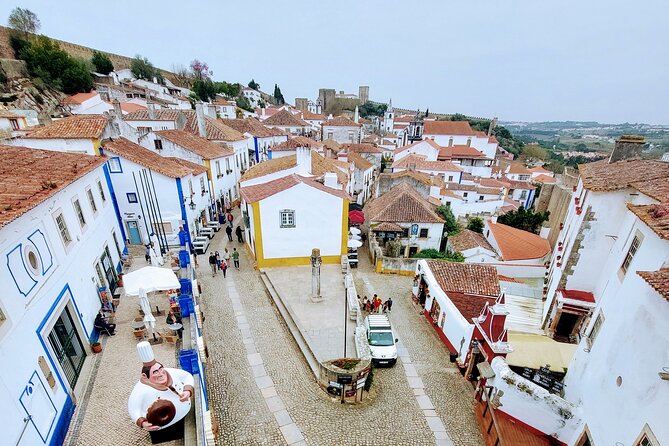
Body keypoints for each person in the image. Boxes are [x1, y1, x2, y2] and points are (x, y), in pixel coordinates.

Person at [128, 342, 195, 432]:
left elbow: (187, 376)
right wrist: (142, 423)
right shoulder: (141, 390)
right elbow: (133, 408)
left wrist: (187, 391)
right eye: (155, 372)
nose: (161, 373)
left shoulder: (170, 372)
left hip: (185, 411)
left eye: (161, 369)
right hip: (162, 426)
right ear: (145, 376)